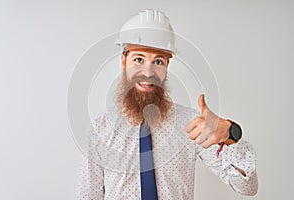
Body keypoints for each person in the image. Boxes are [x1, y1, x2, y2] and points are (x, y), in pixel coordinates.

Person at [77, 9, 258, 199]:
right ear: (124, 61)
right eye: (139, 59)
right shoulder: (101, 130)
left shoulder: (192, 125)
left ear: (167, 66)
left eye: (158, 61)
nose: (148, 72)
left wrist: (231, 135)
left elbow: (247, 187)